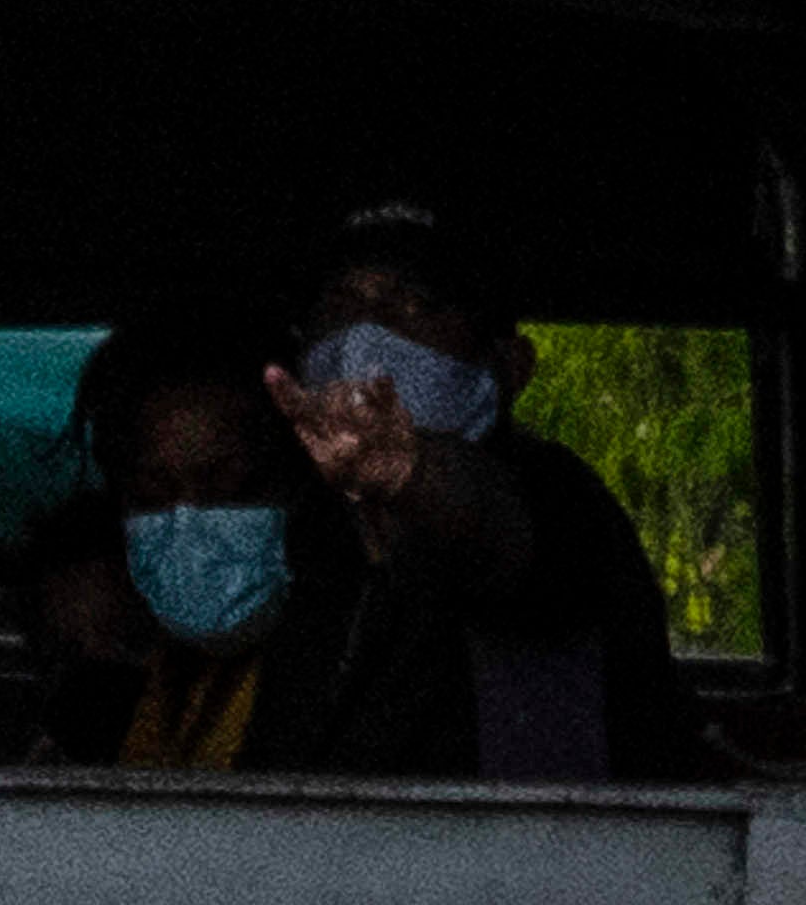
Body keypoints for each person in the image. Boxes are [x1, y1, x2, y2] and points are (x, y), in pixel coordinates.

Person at [254, 201, 709, 783]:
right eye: (340, 308)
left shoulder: (557, 495)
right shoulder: (310, 524)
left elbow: (498, 526)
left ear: (508, 366)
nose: (364, 337)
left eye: (415, 306)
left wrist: (409, 471)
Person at [13, 316, 352, 768]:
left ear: (296, 480)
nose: (189, 521)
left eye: (229, 488)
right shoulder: (150, 695)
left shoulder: (354, 653)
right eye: (154, 495)